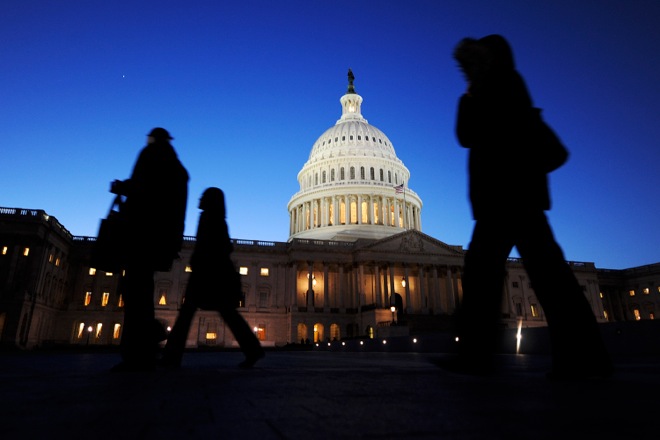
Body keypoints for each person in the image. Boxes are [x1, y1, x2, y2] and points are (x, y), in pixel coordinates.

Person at [451, 35, 612, 379]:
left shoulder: (494, 87)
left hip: (504, 196)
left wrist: (471, 90)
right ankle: (585, 355)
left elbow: (467, 133)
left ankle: (474, 355)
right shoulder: (510, 84)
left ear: (487, 58)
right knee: (545, 277)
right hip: (519, 197)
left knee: (489, 276)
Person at [111, 127, 189, 372]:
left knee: (135, 290)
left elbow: (144, 189)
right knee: (141, 289)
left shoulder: (152, 156)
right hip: (161, 236)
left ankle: (138, 350)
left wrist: (123, 188)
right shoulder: (178, 169)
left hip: (142, 232)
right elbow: (176, 206)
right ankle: (143, 346)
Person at [161, 187, 264, 369]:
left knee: (189, 314)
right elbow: (224, 247)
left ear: (210, 201)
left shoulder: (209, 218)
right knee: (226, 313)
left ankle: (171, 356)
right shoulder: (217, 219)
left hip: (208, 274)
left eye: (204, 196)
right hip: (212, 272)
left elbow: (215, 246)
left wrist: (200, 261)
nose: (199, 199)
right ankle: (253, 349)